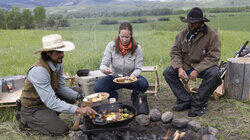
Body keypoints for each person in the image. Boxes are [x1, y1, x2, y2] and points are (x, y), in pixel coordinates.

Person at [18, 34, 96, 136]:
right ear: (48, 53)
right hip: (33, 108)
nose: (62, 55)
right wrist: (78, 109)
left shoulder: (58, 63)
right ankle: (25, 119)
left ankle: (51, 115)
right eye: (58, 52)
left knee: (77, 91)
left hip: (47, 100)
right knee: (61, 130)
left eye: (62, 51)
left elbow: (60, 87)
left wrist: (82, 98)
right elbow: (51, 101)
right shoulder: (39, 71)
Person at [163, 7, 222, 117]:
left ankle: (198, 104)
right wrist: (179, 68)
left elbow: (214, 57)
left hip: (204, 67)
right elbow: (175, 52)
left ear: (201, 22)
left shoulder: (212, 35)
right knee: (168, 72)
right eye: (189, 22)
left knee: (214, 75)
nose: (191, 25)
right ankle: (185, 100)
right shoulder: (182, 34)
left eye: (194, 23)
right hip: (186, 65)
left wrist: (197, 70)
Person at [94, 22, 149, 105]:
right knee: (98, 87)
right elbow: (102, 65)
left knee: (143, 84)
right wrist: (105, 70)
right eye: (122, 36)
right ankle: (113, 96)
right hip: (115, 78)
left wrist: (133, 75)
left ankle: (135, 99)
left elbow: (138, 68)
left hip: (130, 79)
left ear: (131, 36)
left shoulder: (137, 48)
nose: (124, 39)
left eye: (127, 37)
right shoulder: (111, 46)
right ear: (118, 35)